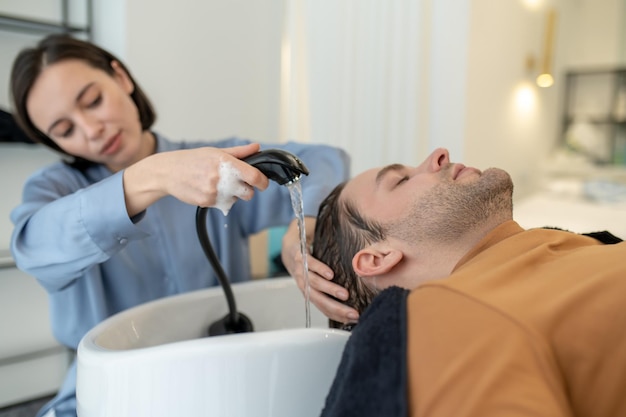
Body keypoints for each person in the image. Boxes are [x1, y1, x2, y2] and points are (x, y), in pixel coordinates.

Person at [8, 34, 350, 417]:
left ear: (120, 77)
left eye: (93, 101)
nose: (91, 130)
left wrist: (301, 228)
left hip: (224, 382)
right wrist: (152, 176)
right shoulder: (54, 190)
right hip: (109, 395)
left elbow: (323, 160)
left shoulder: (212, 165)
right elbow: (33, 249)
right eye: (65, 130)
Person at [311, 147, 626, 417]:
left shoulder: (563, 252)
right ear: (378, 258)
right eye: (401, 180)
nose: (439, 154)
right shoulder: (443, 316)